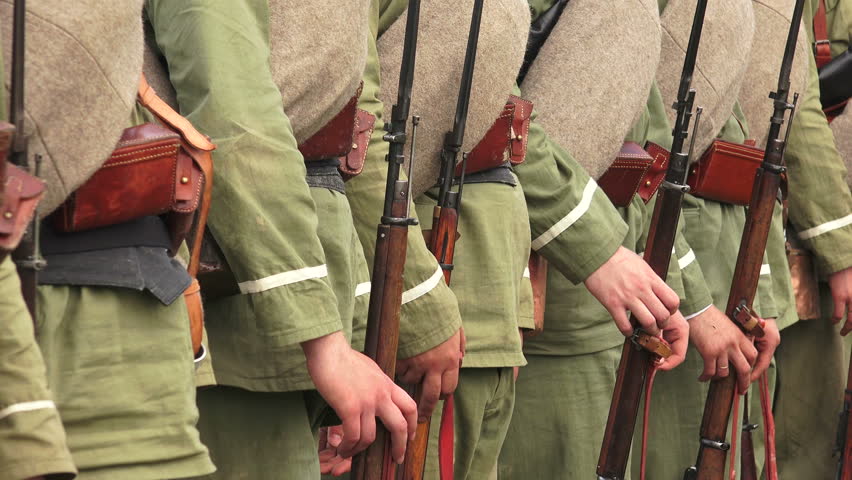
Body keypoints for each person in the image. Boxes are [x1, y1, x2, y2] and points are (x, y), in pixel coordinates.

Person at [768, 0, 852, 477]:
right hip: (796, 239)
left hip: (826, 234)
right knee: (802, 437)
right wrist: (841, 249)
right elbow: (798, 117)